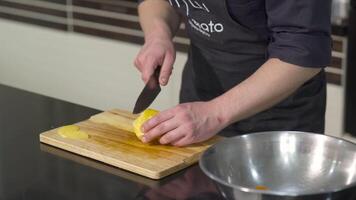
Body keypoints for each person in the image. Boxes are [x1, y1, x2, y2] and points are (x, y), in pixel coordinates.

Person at [134, 0, 332, 146]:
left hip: (276, 129)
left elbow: (303, 50)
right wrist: (158, 34)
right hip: (195, 111)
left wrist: (215, 113)